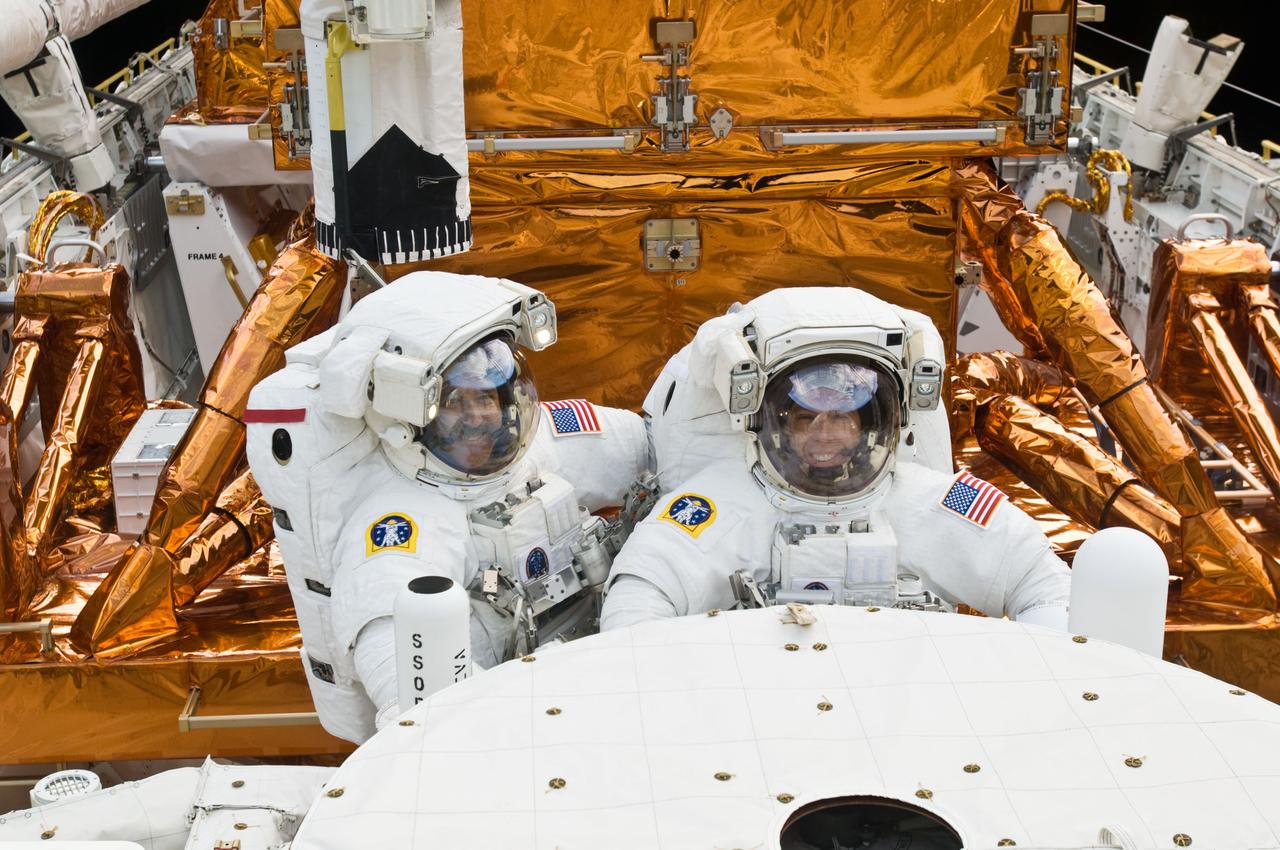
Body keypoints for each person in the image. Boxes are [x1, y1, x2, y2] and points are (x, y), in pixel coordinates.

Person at [246, 272, 649, 741]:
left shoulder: (546, 442)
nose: (481, 417)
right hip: (518, 725)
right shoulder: (400, 527)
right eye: (457, 403)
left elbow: (653, 444)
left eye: (490, 396)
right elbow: (400, 667)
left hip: (598, 675)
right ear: (406, 419)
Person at [601, 286, 1070, 630]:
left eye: (843, 417)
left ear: (875, 423)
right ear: (773, 424)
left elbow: (1045, 583)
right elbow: (638, 602)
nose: (824, 433)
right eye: (806, 418)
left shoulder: (932, 503)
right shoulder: (715, 508)